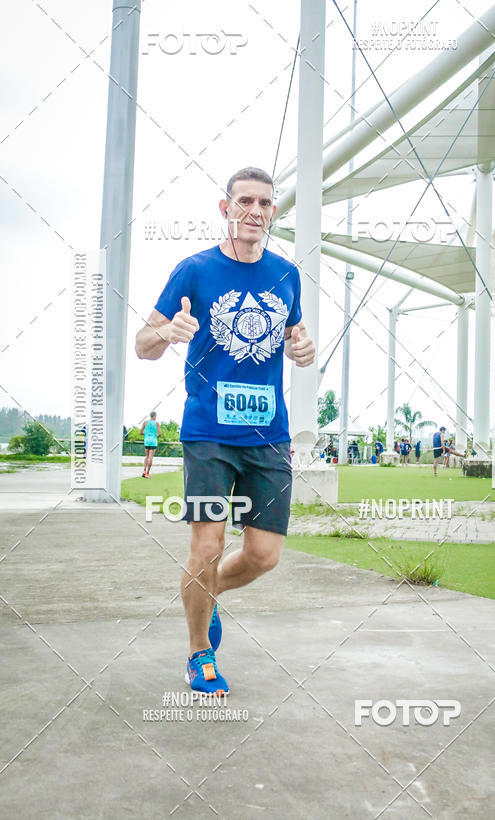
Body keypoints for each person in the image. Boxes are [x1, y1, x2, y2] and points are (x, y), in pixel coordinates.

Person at [135, 167, 315, 696]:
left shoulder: (287, 275)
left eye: (265, 203)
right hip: (209, 431)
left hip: (269, 434)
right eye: (245, 201)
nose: (255, 211)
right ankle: (199, 653)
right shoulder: (194, 270)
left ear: (273, 212)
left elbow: (295, 337)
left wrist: (303, 350)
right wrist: (168, 332)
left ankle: (206, 597)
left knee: (264, 556)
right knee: (208, 544)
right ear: (225, 208)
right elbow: (142, 344)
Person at [140, 412, 161, 478]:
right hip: (153, 442)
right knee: (150, 457)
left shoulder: (145, 422)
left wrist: (146, 434)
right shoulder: (157, 423)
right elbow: (159, 434)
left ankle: (144, 471)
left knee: (146, 456)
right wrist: (154, 435)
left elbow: (140, 432)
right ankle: (147, 473)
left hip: (147, 441)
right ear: (154, 416)